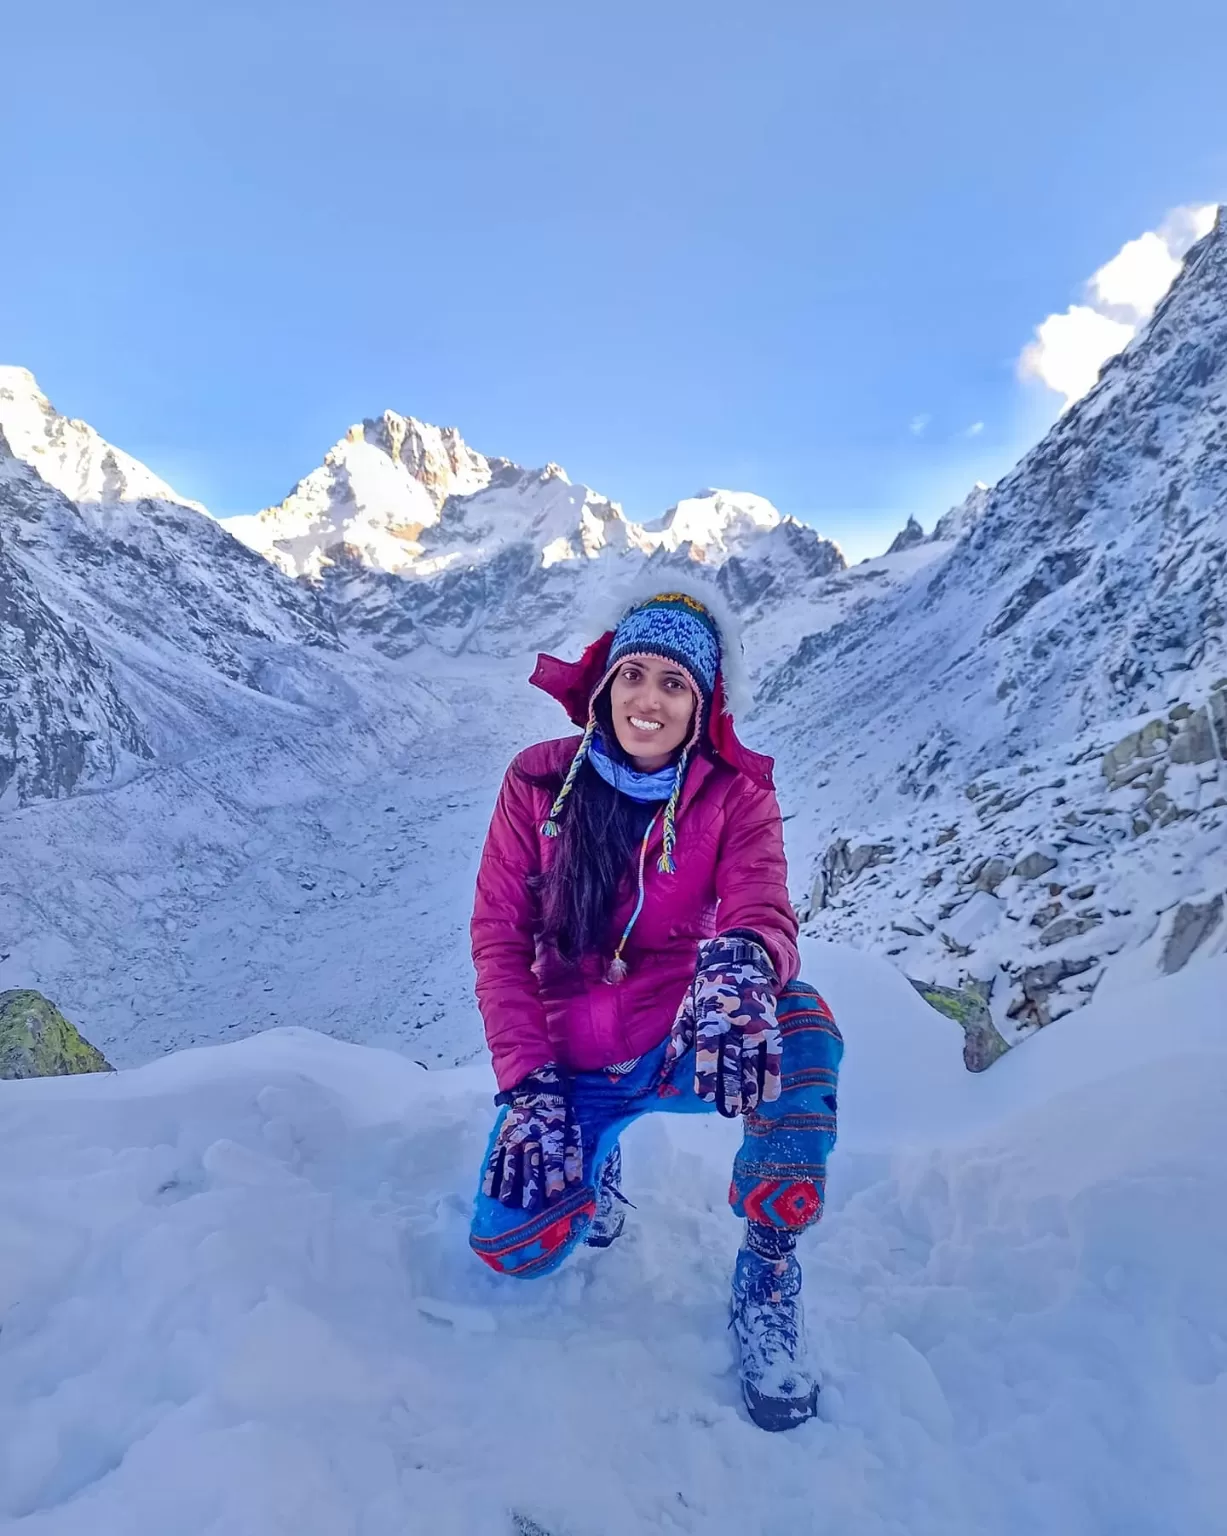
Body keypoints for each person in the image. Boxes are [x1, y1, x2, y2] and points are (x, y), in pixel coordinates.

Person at [468, 586, 842, 1431]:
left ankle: (769, 1267)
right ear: (603, 684)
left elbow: (761, 903)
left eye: (673, 684)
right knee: (511, 1252)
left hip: (685, 1038)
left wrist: (743, 963)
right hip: (567, 1065)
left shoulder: (733, 797)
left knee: (800, 1028)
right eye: (632, 674)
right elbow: (499, 938)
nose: (648, 699)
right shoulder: (536, 782)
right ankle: (592, 1155)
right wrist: (528, 1084)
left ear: (701, 703)